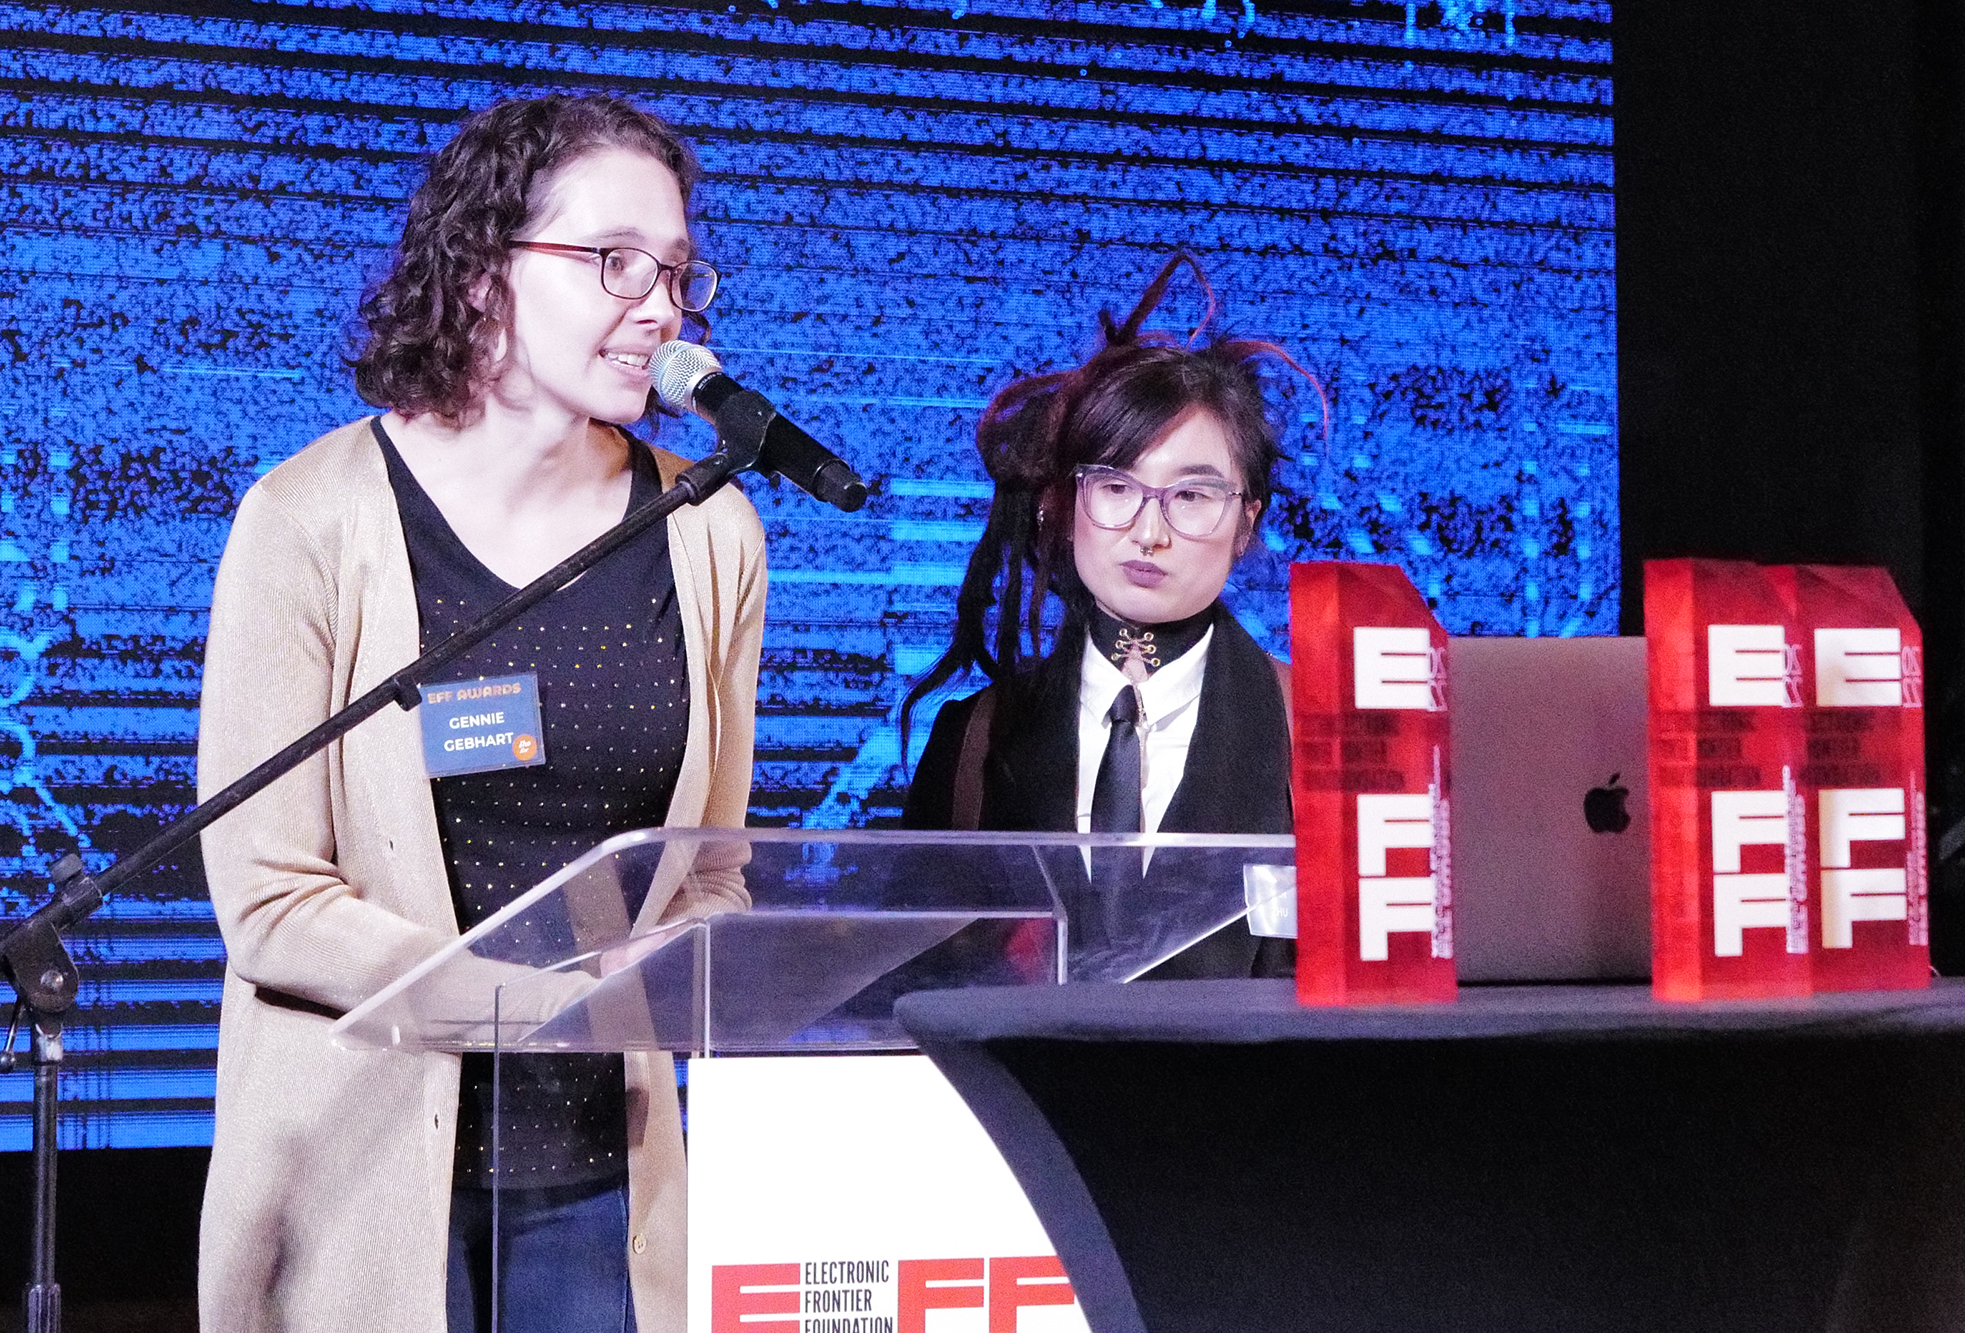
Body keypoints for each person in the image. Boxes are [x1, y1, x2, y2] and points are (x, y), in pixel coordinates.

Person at [195, 95, 766, 1333]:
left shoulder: (710, 528)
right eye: (614, 260)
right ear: (478, 273)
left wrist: (678, 965)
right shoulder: (308, 519)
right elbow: (269, 899)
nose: (659, 307)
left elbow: (712, 871)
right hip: (356, 1174)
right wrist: (524, 1001)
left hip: (604, 1184)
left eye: (676, 270)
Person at [901, 254, 1304, 978]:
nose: (1149, 532)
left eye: (1191, 496)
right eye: (1116, 487)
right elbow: (921, 987)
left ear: (1247, 522)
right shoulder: (972, 740)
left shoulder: (1324, 734)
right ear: (1062, 501)